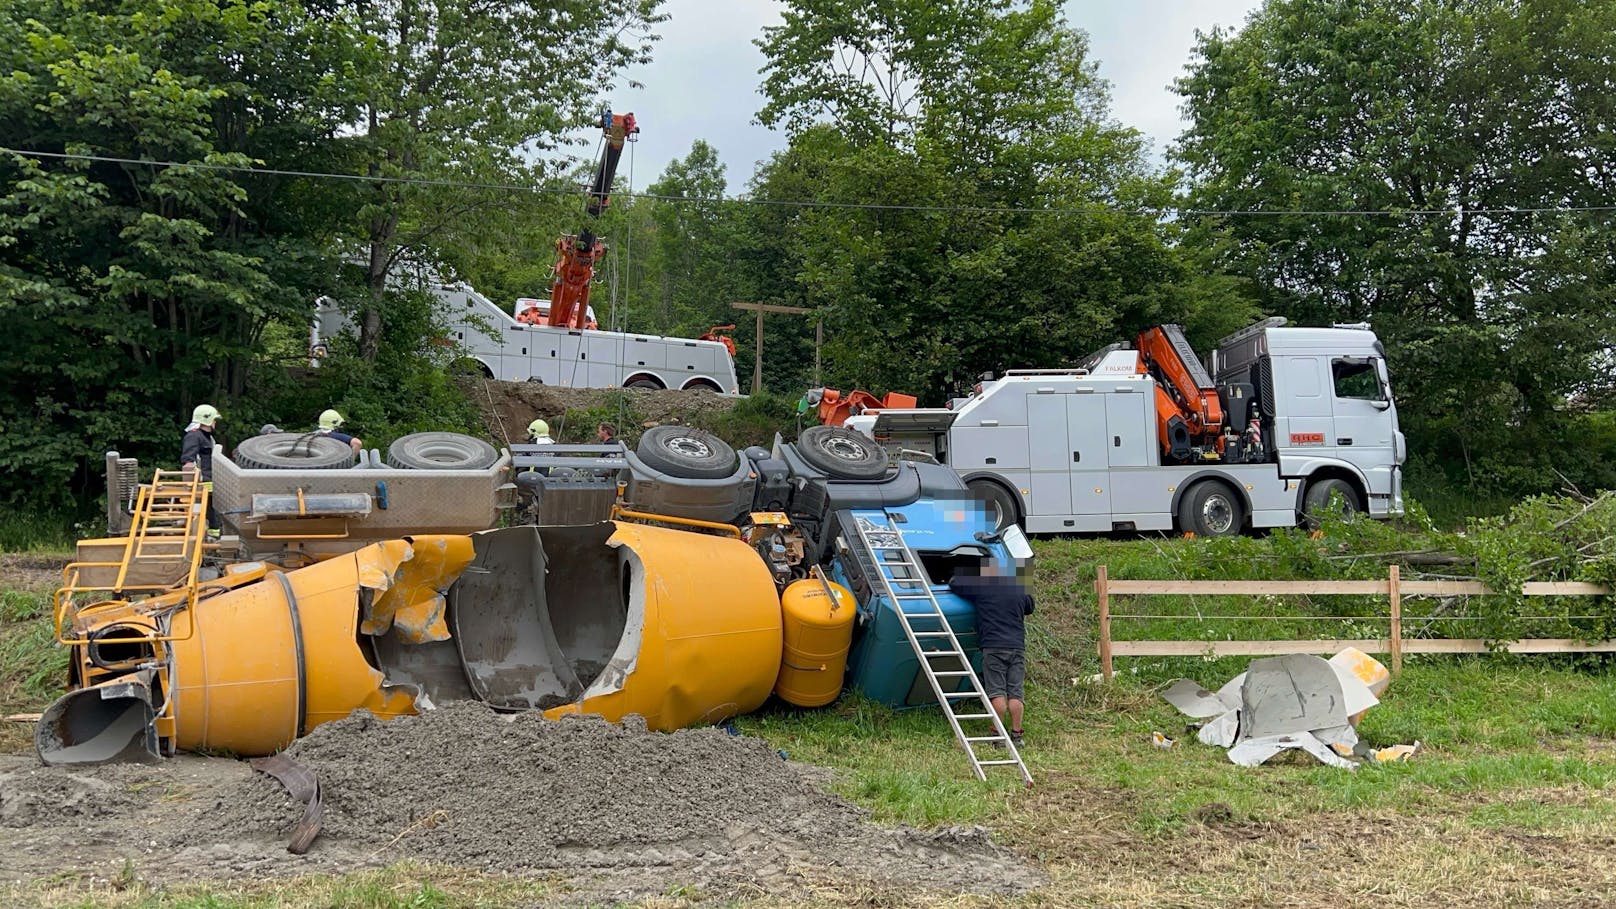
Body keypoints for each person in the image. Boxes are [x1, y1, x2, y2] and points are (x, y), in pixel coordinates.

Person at [949, 556, 1035, 748]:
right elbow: (1030, 606)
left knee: (996, 692)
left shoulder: (982, 586)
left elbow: (954, 583)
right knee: (1015, 693)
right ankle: (1017, 736)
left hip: (993, 646)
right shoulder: (1018, 588)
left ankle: (998, 736)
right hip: (1017, 647)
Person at [180, 404, 222, 531]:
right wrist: (192, 482)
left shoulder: (208, 438)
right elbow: (188, 460)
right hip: (202, 482)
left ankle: (214, 536)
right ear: (207, 420)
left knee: (213, 511)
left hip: (211, 481)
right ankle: (210, 536)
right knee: (206, 510)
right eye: (214, 419)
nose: (215, 422)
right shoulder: (194, 436)